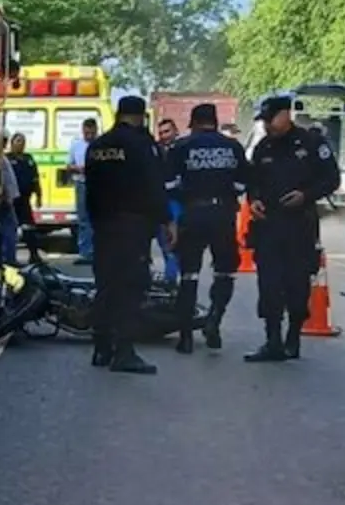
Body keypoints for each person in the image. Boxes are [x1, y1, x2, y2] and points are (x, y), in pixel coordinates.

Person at [244, 95, 340, 362]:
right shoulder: (263, 147)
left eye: (270, 119)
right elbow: (252, 182)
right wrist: (254, 201)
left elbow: (332, 179)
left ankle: (293, 337)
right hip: (269, 227)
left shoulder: (311, 143)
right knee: (269, 285)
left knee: (298, 286)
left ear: (286, 114)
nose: (267, 125)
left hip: (300, 225)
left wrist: (306, 195)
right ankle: (272, 340)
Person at [84, 96, 175, 374]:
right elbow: (153, 187)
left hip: (104, 226)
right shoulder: (142, 145)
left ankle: (102, 347)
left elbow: (90, 190)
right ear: (139, 116)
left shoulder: (98, 146)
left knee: (106, 286)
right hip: (133, 227)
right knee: (131, 288)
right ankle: (124, 350)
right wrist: (167, 220)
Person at [165, 104, 251, 353]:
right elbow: (243, 182)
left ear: (193, 123)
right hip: (222, 215)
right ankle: (214, 319)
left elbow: (169, 184)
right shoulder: (232, 146)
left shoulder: (181, 147)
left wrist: (185, 197)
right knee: (225, 271)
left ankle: (185, 336)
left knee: (189, 274)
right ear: (215, 122)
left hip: (192, 213)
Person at [7, 133, 44, 263]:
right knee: (9, 229)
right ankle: (8, 257)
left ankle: (34, 255)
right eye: (18, 141)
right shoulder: (7, 159)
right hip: (11, 200)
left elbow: (35, 178)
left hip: (25, 200)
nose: (20, 144)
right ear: (12, 143)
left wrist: (39, 195)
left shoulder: (28, 159)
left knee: (29, 228)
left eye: (23, 141)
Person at [153, 118, 181, 285]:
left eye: (167, 131)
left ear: (175, 131)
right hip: (161, 199)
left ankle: (172, 278)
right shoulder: (156, 150)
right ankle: (170, 276)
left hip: (177, 200)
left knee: (173, 240)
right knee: (164, 239)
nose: (164, 136)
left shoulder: (181, 148)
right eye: (161, 132)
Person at [67, 117, 98, 265]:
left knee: (98, 218)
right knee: (83, 219)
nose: (89, 136)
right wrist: (78, 168)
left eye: (92, 133)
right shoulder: (76, 145)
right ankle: (85, 253)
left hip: (98, 184)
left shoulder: (100, 145)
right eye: (87, 133)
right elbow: (68, 165)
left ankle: (98, 252)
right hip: (81, 183)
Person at [0, 133, 22, 266]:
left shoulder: (1, 157)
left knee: (7, 228)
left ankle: (5, 257)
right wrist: (6, 196)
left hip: (7, 199)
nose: (5, 143)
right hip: (5, 200)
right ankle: (8, 258)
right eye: (3, 140)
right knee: (10, 228)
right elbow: (1, 180)